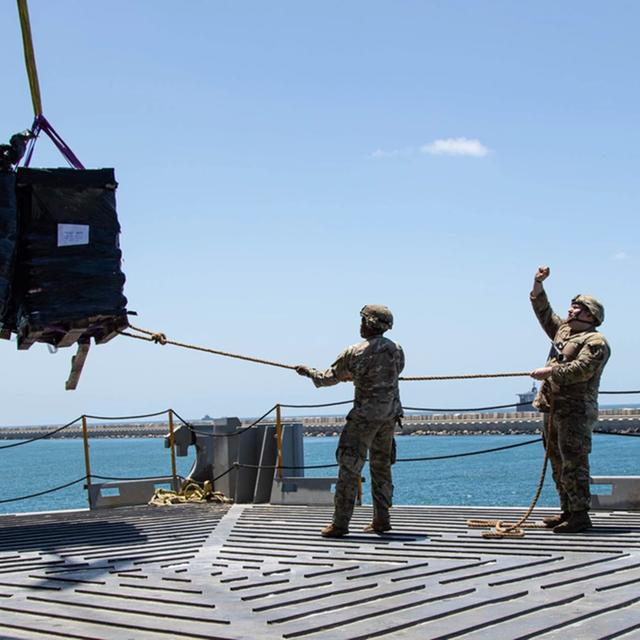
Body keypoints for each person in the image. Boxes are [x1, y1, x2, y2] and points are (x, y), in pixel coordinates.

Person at [296, 305, 404, 537]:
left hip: (364, 419)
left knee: (349, 467)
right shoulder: (397, 349)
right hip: (389, 417)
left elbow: (328, 378)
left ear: (368, 323)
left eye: (363, 320)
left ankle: (340, 524)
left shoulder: (355, 351)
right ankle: (382, 520)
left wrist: (308, 372)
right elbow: (395, 371)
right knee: (382, 468)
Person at [530, 266, 611, 533]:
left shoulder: (596, 341)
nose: (571, 310)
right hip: (553, 408)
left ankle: (580, 515)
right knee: (556, 461)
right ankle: (567, 510)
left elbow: (581, 371)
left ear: (590, 314)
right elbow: (543, 313)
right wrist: (538, 284)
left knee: (574, 462)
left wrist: (550, 371)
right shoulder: (564, 332)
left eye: (577, 307)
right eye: (572, 306)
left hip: (576, 410)